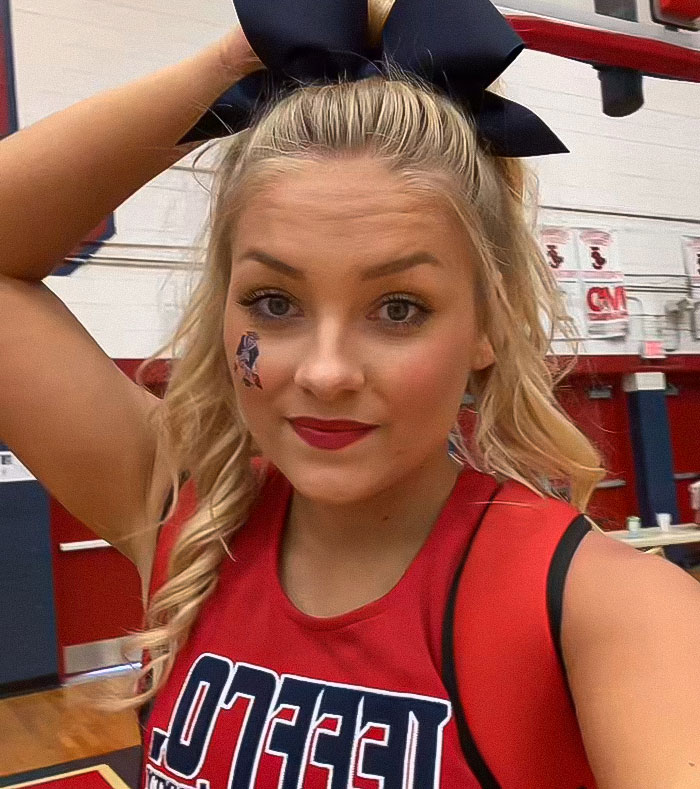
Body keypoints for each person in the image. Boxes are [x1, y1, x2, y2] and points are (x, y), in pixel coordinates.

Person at [2, 0, 700, 786]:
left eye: (398, 308)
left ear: (486, 325)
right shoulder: (186, 513)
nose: (326, 371)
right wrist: (231, 60)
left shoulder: (611, 612)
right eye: (275, 301)